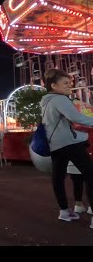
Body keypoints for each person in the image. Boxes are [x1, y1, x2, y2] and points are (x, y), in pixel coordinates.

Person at [41, 68, 93, 225]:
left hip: (55, 145)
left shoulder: (45, 101)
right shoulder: (60, 99)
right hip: (70, 143)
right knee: (91, 176)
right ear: (53, 85)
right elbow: (75, 117)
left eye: (69, 82)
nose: (69, 85)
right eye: (65, 83)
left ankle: (64, 211)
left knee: (58, 178)